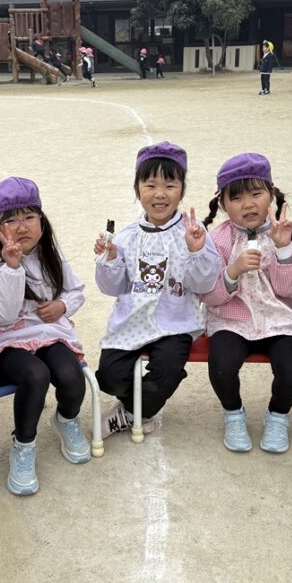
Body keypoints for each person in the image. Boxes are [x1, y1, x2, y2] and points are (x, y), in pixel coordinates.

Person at [94, 142, 222, 435]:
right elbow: (112, 288)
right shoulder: (126, 237)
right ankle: (137, 409)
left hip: (174, 323)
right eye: (150, 185)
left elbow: (203, 284)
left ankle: (131, 413)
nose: (160, 194)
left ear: (182, 190)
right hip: (131, 321)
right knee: (109, 376)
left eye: (170, 185)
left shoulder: (194, 233)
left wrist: (196, 251)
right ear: (137, 189)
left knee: (167, 371)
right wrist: (110, 259)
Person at [0, 177, 92, 495]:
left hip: (47, 332)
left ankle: (66, 419)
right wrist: (12, 266)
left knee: (70, 374)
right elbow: (1, 314)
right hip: (5, 339)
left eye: (29, 217)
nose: (22, 226)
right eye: (10, 220)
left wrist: (62, 305)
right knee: (35, 375)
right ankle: (24, 444)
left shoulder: (49, 253)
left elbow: (76, 291)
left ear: (42, 220)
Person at [200, 153, 292, 453]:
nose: (247, 204)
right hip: (232, 320)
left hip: (279, 320)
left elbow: (290, 288)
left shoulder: (286, 234)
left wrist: (283, 249)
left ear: (271, 193)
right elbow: (209, 296)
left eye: (256, 194)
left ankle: (278, 416)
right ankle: (233, 413)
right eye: (236, 198)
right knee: (221, 366)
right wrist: (232, 271)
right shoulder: (218, 240)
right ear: (222, 204)